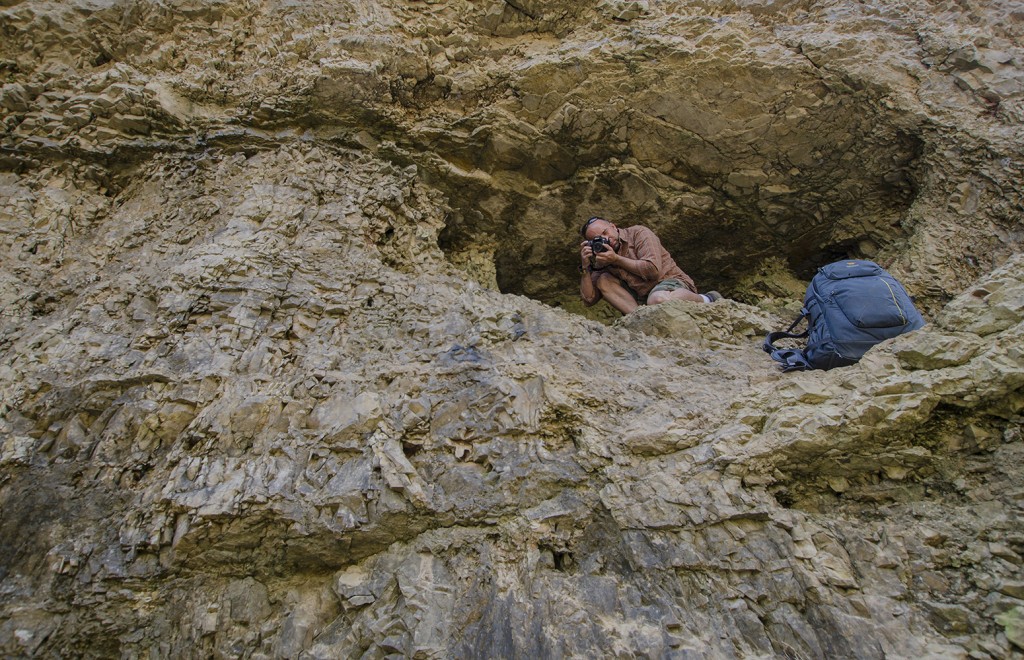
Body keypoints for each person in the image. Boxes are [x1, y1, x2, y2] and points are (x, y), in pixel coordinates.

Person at [578, 216, 721, 315]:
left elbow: (652, 270)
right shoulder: (602, 256)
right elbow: (589, 300)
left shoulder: (638, 233)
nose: (606, 239)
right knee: (604, 280)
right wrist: (585, 268)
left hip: (669, 282)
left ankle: (708, 299)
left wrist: (616, 259)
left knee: (657, 299)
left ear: (613, 226)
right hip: (642, 298)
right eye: (598, 239)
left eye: (605, 232)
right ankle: (640, 319)